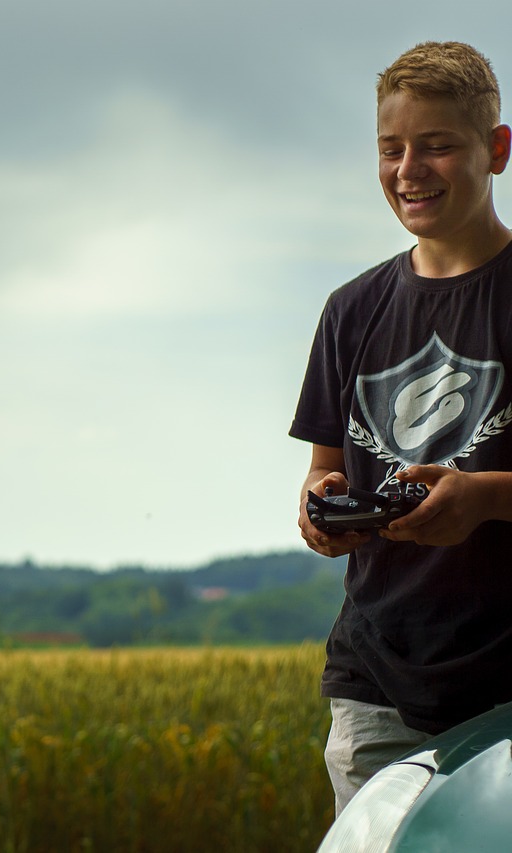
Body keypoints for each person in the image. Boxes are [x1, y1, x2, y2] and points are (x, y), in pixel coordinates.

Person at [291, 40, 512, 816]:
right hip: (375, 683)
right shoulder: (351, 309)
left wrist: (484, 497)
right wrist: (324, 512)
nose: (409, 169)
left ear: (497, 150)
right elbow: (325, 474)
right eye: (392, 149)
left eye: (437, 146)